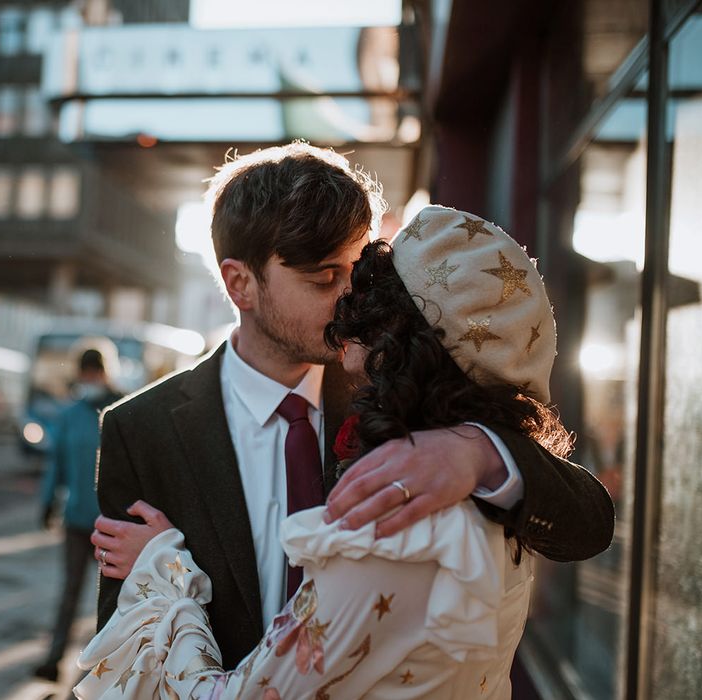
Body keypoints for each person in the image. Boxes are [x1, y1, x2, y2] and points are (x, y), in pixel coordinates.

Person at [89, 143, 614, 674]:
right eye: (323, 278)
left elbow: (587, 521)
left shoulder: (400, 387)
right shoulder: (140, 429)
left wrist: (481, 452)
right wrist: (167, 575)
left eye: (356, 270)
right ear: (239, 283)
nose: (350, 299)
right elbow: (122, 649)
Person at [34, 348, 123, 683]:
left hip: (112, 524)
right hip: (76, 520)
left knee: (111, 600)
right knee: (69, 592)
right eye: (85, 373)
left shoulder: (120, 410)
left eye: (95, 373)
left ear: (104, 373)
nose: (90, 379)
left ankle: (101, 673)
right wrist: (47, 502)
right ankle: (54, 659)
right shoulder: (69, 415)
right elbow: (56, 463)